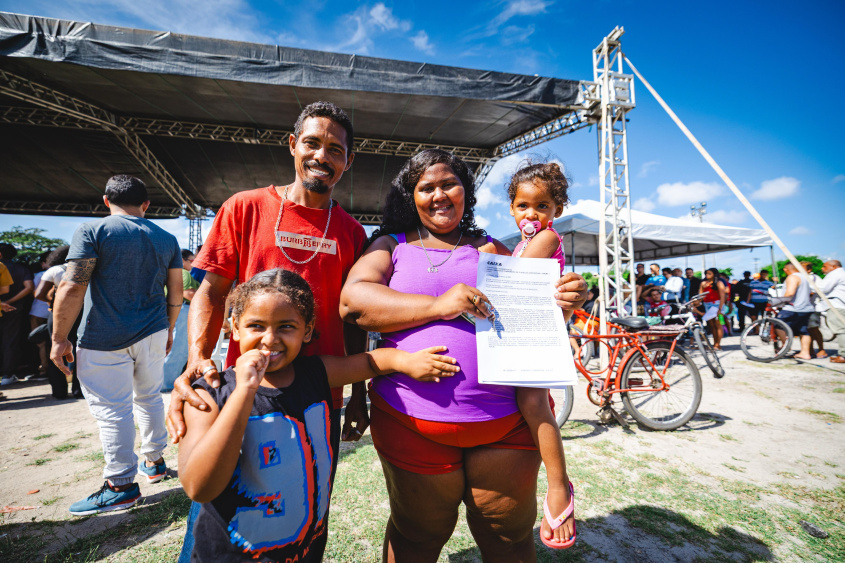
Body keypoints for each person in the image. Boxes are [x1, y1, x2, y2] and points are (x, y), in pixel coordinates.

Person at [339, 149, 588, 561]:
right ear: (411, 196)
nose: (439, 194)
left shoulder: (490, 247)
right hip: (410, 424)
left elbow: (527, 308)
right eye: (426, 187)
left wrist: (564, 299)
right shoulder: (390, 244)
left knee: (508, 539)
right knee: (416, 536)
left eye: (449, 184)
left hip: (506, 425)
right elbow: (353, 304)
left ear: (466, 192)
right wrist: (441, 305)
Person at [166, 101, 370, 562]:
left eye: (336, 150)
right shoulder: (245, 208)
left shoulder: (352, 232)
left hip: (318, 397)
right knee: (221, 510)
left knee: (303, 511)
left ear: (348, 161)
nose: (323, 156)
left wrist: (358, 395)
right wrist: (198, 357)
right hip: (247, 393)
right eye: (313, 143)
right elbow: (211, 291)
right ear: (293, 145)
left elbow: (353, 320)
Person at [179, 268, 457, 562]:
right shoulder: (210, 394)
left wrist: (406, 360)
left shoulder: (316, 373)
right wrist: (244, 392)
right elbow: (199, 486)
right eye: (256, 326)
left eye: (286, 326)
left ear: (307, 330)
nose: (270, 339)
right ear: (235, 327)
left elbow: (370, 362)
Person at [51, 175, 183, 515]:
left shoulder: (93, 230)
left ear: (106, 200)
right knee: (150, 397)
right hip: (154, 330)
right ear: (146, 205)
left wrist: (58, 337)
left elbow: (73, 286)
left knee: (113, 410)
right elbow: (176, 293)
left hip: (103, 335)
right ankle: (153, 462)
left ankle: (120, 484)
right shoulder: (166, 237)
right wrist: (169, 329)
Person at [506, 161, 576, 549]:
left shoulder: (546, 239)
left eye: (542, 206)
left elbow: (513, 278)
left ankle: (558, 486)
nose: (531, 214)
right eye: (522, 206)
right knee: (526, 404)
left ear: (556, 211)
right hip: (526, 331)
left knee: (534, 403)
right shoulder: (523, 242)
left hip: (538, 333)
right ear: (511, 208)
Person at [35, 245, 83, 399]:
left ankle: (59, 391)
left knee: (56, 349)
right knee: (80, 349)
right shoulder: (85, 269)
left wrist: (53, 302)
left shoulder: (54, 270)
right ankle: (79, 389)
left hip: (57, 314)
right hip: (81, 313)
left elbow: (39, 294)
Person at [162, 249, 200, 391]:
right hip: (182, 311)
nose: (193, 263)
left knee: (177, 350)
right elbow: (188, 293)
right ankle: (165, 385)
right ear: (182, 260)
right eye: (191, 260)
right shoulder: (183, 274)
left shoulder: (175, 273)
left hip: (178, 311)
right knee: (177, 350)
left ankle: (166, 383)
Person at [0, 243, 35, 385]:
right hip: (14, 308)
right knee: (10, 341)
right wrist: (11, 301)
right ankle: (8, 374)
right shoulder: (21, 268)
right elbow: (29, 287)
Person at [773, 263, 814, 360]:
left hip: (793, 308)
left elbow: (790, 293)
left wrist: (779, 301)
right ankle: (805, 353)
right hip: (806, 308)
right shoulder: (804, 277)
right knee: (803, 330)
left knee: (778, 325)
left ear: (786, 269)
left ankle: (786, 347)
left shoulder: (792, 277)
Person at [816, 260, 845, 363]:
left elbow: (823, 288)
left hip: (836, 305)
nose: (822, 269)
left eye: (825, 266)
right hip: (840, 305)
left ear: (833, 266)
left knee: (840, 330)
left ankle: (843, 355)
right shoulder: (841, 273)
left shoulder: (835, 274)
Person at [29, 251, 51, 380]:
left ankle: (44, 368)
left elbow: (35, 293)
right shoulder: (64, 272)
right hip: (54, 312)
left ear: (43, 264)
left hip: (38, 312)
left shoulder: (40, 275)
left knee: (40, 343)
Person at [802, 262, 827, 358]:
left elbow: (813, 292)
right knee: (806, 330)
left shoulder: (813, 278)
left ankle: (821, 349)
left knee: (814, 329)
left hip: (813, 307)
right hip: (804, 308)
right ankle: (810, 350)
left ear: (809, 270)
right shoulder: (802, 277)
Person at [700, 267, 726, 350]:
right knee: (712, 326)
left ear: (714, 274)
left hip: (717, 304)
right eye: (706, 273)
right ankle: (715, 343)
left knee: (718, 325)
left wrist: (720, 308)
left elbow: (723, 296)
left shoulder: (719, 283)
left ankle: (718, 344)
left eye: (709, 273)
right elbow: (700, 296)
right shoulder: (704, 283)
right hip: (707, 305)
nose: (707, 275)